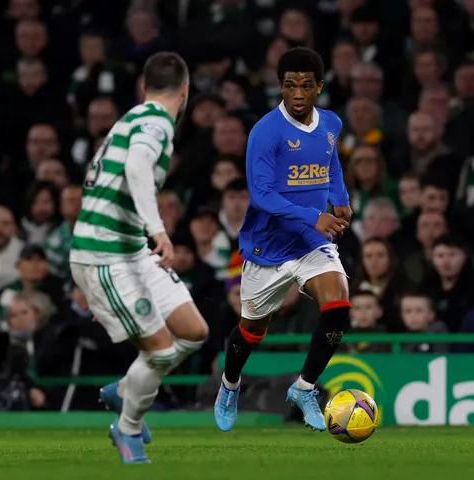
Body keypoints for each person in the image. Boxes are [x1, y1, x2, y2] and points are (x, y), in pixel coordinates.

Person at [69, 52, 209, 464]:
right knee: (161, 352)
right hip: (105, 255)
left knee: (194, 332)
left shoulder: (131, 118)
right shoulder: (155, 123)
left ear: (143, 87)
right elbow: (136, 167)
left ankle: (127, 390)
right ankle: (127, 429)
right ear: (185, 90)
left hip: (129, 250)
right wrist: (158, 229)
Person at [214, 47, 351, 433]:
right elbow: (262, 196)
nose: (298, 94)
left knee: (338, 303)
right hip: (268, 247)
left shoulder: (331, 123)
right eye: (290, 85)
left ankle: (304, 389)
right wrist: (316, 216)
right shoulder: (266, 132)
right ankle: (229, 385)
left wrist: (340, 198)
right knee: (251, 331)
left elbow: (331, 160)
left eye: (306, 85)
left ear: (319, 87)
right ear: (280, 86)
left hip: (310, 242)